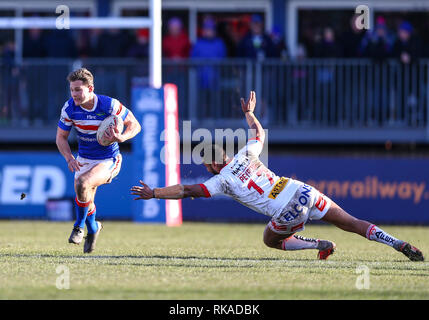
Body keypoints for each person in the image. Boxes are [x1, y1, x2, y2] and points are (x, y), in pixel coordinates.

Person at [131, 91, 424, 262]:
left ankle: (317, 244)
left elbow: (186, 190)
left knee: (270, 240)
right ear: (227, 155)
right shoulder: (246, 153)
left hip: (287, 209)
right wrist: (249, 114)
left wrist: (154, 192)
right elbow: (259, 133)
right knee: (351, 222)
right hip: (302, 190)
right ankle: (396, 242)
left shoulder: (220, 181)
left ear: (211, 166)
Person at [56, 68, 141, 253]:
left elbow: (135, 124)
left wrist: (123, 137)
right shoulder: (69, 108)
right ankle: (93, 228)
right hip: (84, 158)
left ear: (90, 88)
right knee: (86, 198)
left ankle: (78, 227)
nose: (74, 94)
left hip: (108, 158)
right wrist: (69, 157)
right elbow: (61, 137)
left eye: (78, 89)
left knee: (83, 182)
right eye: (72, 90)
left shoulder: (108, 105)